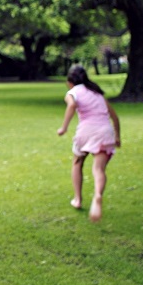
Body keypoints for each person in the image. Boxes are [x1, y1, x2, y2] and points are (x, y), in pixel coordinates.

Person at [56, 64, 121, 222]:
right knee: (99, 169)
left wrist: (64, 127)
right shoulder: (98, 93)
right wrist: (117, 137)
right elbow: (115, 117)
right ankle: (97, 195)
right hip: (105, 132)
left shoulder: (73, 92)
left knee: (77, 163)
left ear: (70, 81)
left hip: (86, 132)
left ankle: (77, 199)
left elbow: (71, 105)